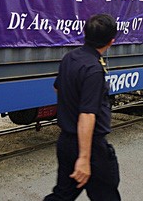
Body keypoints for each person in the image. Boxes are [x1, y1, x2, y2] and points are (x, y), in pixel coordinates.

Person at [45, 14, 121, 201]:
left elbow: (57, 88)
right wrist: (85, 159)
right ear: (111, 42)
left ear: (84, 33)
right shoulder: (93, 69)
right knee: (107, 196)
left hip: (66, 143)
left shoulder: (70, 58)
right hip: (91, 148)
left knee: (63, 195)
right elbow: (87, 115)